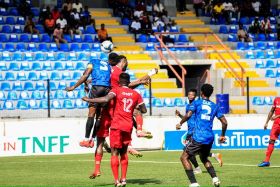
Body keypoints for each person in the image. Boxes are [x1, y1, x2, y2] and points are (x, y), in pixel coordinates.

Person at [82, 73, 147, 187]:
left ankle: (117, 181)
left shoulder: (116, 90)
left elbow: (106, 98)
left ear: (119, 81)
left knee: (114, 153)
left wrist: (89, 99)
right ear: (128, 81)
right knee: (124, 153)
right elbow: (144, 110)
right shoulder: (136, 94)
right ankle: (124, 179)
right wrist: (133, 108)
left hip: (117, 125)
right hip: (128, 125)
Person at [176, 84, 228, 187]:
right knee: (204, 158)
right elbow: (225, 122)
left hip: (198, 136)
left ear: (201, 93)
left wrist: (180, 123)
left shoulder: (197, 103)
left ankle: (194, 183)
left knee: (184, 158)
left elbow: (189, 115)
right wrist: (222, 135)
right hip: (209, 137)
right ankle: (215, 179)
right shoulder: (215, 106)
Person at [65, 52, 112, 148]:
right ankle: (92, 140)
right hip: (107, 89)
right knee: (99, 117)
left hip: (96, 88)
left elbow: (86, 75)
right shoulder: (108, 65)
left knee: (91, 114)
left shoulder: (92, 62)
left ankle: (86, 140)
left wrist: (73, 87)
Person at [258, 97, 280, 167]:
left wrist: (277, 116)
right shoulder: (276, 99)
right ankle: (266, 161)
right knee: (271, 141)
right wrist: (266, 122)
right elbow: (271, 111)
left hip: (276, 120)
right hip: (276, 124)